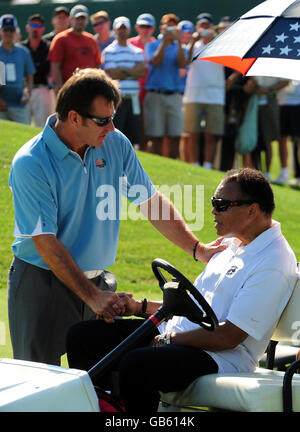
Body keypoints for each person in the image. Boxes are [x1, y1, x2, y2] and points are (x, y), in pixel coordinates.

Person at [8, 68, 224, 367]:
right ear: (73, 118)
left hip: (98, 282)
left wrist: (197, 249)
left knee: (99, 384)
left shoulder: (115, 142)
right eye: (102, 120)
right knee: (40, 386)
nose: (111, 127)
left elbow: (149, 201)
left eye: (112, 118)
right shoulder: (31, 162)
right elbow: (45, 242)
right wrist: (92, 296)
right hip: (43, 283)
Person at [66, 168, 298, 413]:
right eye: (213, 202)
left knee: (138, 364)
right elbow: (191, 307)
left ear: (252, 210)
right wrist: (139, 307)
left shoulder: (273, 261)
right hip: (180, 337)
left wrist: (167, 340)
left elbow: (229, 336)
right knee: (83, 337)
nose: (213, 211)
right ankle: (108, 409)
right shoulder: (230, 244)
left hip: (220, 356)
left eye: (221, 204)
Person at [144, 13, 187, 158]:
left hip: (174, 95)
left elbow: (182, 64)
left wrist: (179, 42)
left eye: (172, 27)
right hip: (156, 95)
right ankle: (159, 167)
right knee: (156, 136)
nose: (169, 30)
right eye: (167, 26)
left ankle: (173, 166)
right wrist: (164, 41)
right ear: (161, 28)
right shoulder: (152, 45)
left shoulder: (181, 47)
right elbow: (156, 61)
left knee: (175, 135)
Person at [182, 19, 225, 168]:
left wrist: (216, 38)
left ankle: (207, 165)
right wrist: (193, 42)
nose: (205, 30)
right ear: (197, 28)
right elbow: (185, 63)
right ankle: (194, 164)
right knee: (193, 133)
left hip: (216, 96)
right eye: (202, 27)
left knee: (210, 134)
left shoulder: (220, 43)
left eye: (208, 27)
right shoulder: (192, 46)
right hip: (193, 95)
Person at [102, 16, 146, 148]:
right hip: (117, 99)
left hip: (134, 98)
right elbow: (113, 74)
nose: (122, 31)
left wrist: (123, 69)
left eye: (124, 28)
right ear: (115, 30)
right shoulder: (109, 51)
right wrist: (132, 71)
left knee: (133, 133)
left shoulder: (137, 51)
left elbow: (142, 72)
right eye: (119, 28)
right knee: (117, 132)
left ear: (129, 30)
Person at [47, 4, 101, 89]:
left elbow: (97, 65)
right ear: (71, 19)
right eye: (77, 18)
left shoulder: (91, 40)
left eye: (83, 19)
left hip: (90, 89)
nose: (80, 21)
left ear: (87, 20)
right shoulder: (60, 39)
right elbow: (55, 66)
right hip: (70, 89)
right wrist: (60, 89)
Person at [128, 13, 156, 152]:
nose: (145, 29)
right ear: (137, 27)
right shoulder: (129, 43)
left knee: (148, 127)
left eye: (148, 26)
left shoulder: (157, 44)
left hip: (151, 92)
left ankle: (144, 154)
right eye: (142, 26)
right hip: (133, 92)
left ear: (153, 28)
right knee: (133, 126)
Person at [21, 14, 55, 128]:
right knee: (22, 125)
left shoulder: (48, 47)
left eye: (38, 25)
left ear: (43, 29)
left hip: (42, 89)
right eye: (33, 25)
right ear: (27, 28)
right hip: (24, 89)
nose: (35, 28)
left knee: (42, 126)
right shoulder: (21, 48)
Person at [0, 14, 35, 124]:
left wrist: (28, 94)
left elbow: (30, 76)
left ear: (15, 31)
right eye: (6, 30)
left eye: (11, 30)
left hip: (19, 105)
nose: (8, 33)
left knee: (24, 138)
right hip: (1, 105)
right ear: (1, 31)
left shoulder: (23, 52)